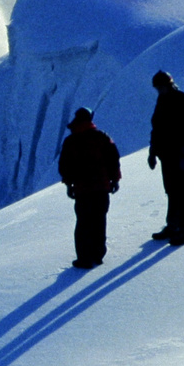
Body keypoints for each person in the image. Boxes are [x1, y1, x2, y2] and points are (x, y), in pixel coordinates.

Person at [57, 107, 121, 269]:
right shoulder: (102, 137)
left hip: (82, 189)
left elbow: (64, 166)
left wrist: (69, 184)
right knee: (99, 221)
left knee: (83, 223)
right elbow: (113, 160)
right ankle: (98, 255)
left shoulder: (71, 141)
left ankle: (84, 258)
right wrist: (115, 180)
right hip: (101, 188)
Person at [146, 70, 184, 245]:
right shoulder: (162, 101)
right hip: (167, 155)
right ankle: (173, 226)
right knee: (171, 190)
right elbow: (157, 130)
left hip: (180, 154)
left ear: (169, 85)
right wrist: (152, 153)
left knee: (183, 192)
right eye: (157, 88)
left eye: (161, 87)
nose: (159, 90)